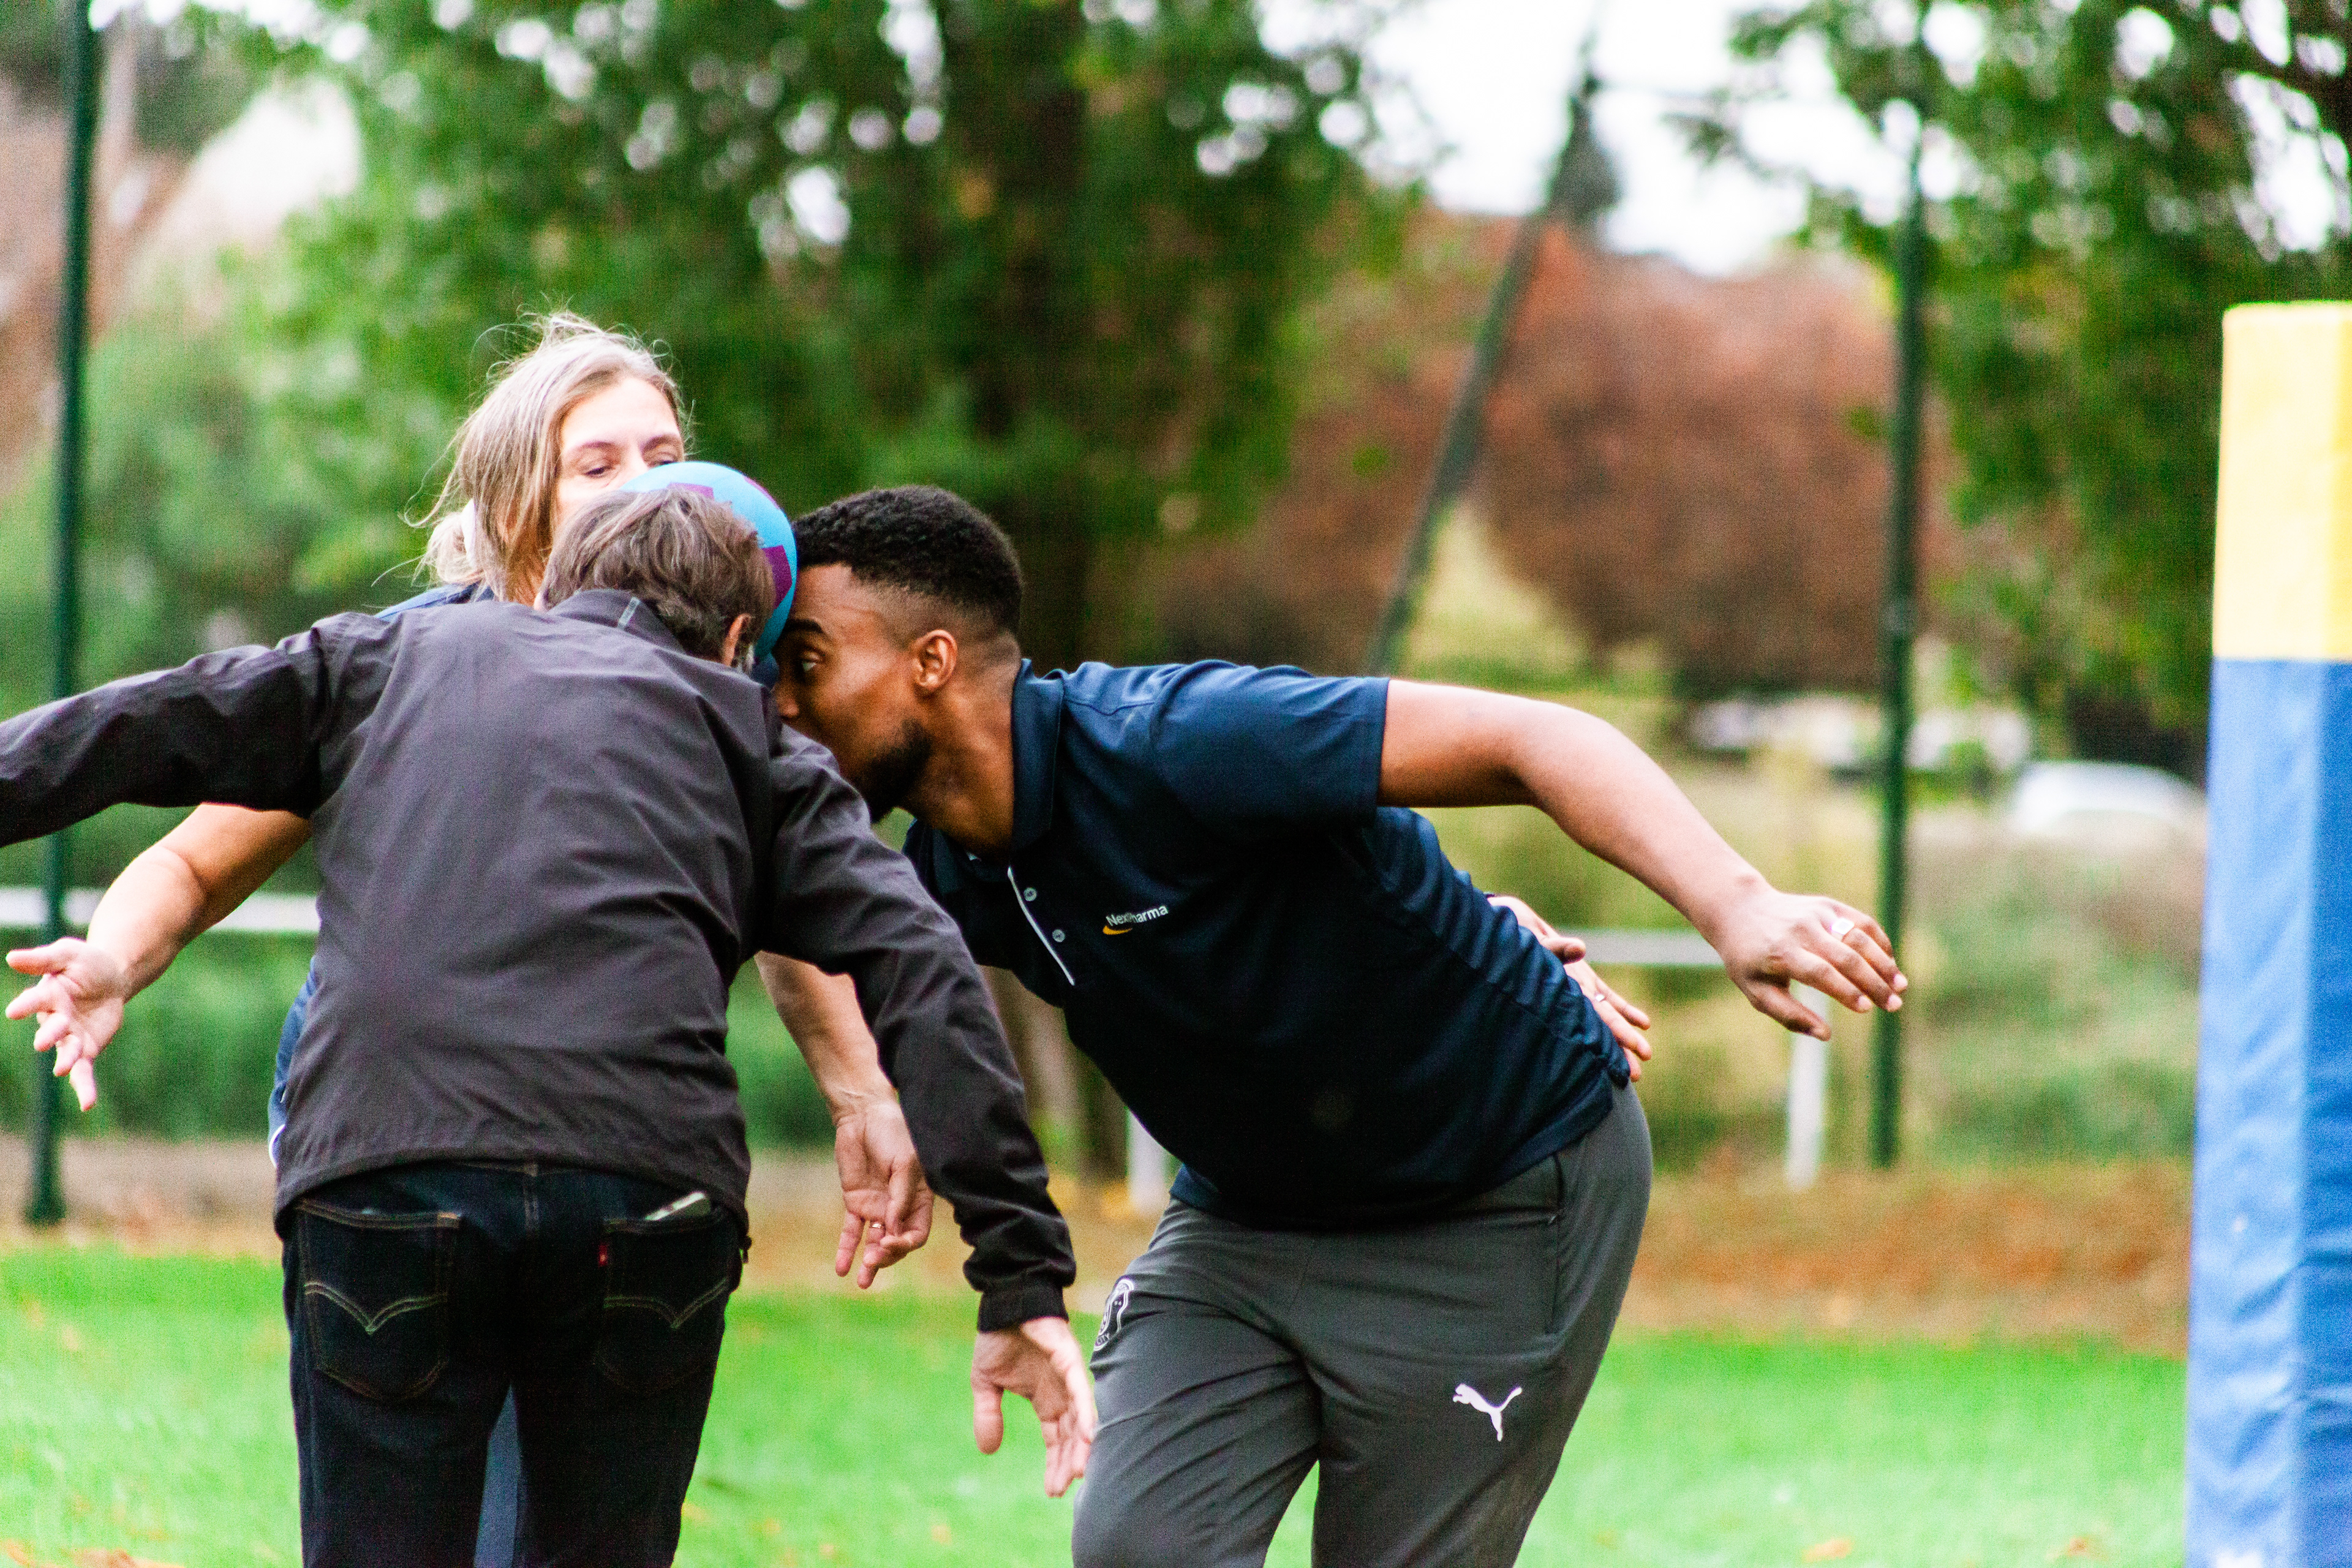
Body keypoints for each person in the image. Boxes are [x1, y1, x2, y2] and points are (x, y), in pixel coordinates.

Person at [760, 484, 1909, 1568]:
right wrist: (865, 1098)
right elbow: (783, 908)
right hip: (1250, 1222)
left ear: (932, 662)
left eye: (806, 664)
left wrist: (1736, 902)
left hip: (1500, 1193)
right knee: (1141, 1550)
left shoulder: (1178, 739)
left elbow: (1533, 738)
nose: (785, 703)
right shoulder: (950, 869)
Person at [0, 484, 1092, 1567]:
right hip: (646, 1197)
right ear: (734, 639)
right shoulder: (752, 742)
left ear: (555, 589)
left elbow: (140, 722)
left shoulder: (385, 662)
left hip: (389, 1174)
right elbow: (924, 968)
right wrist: (1019, 1271)